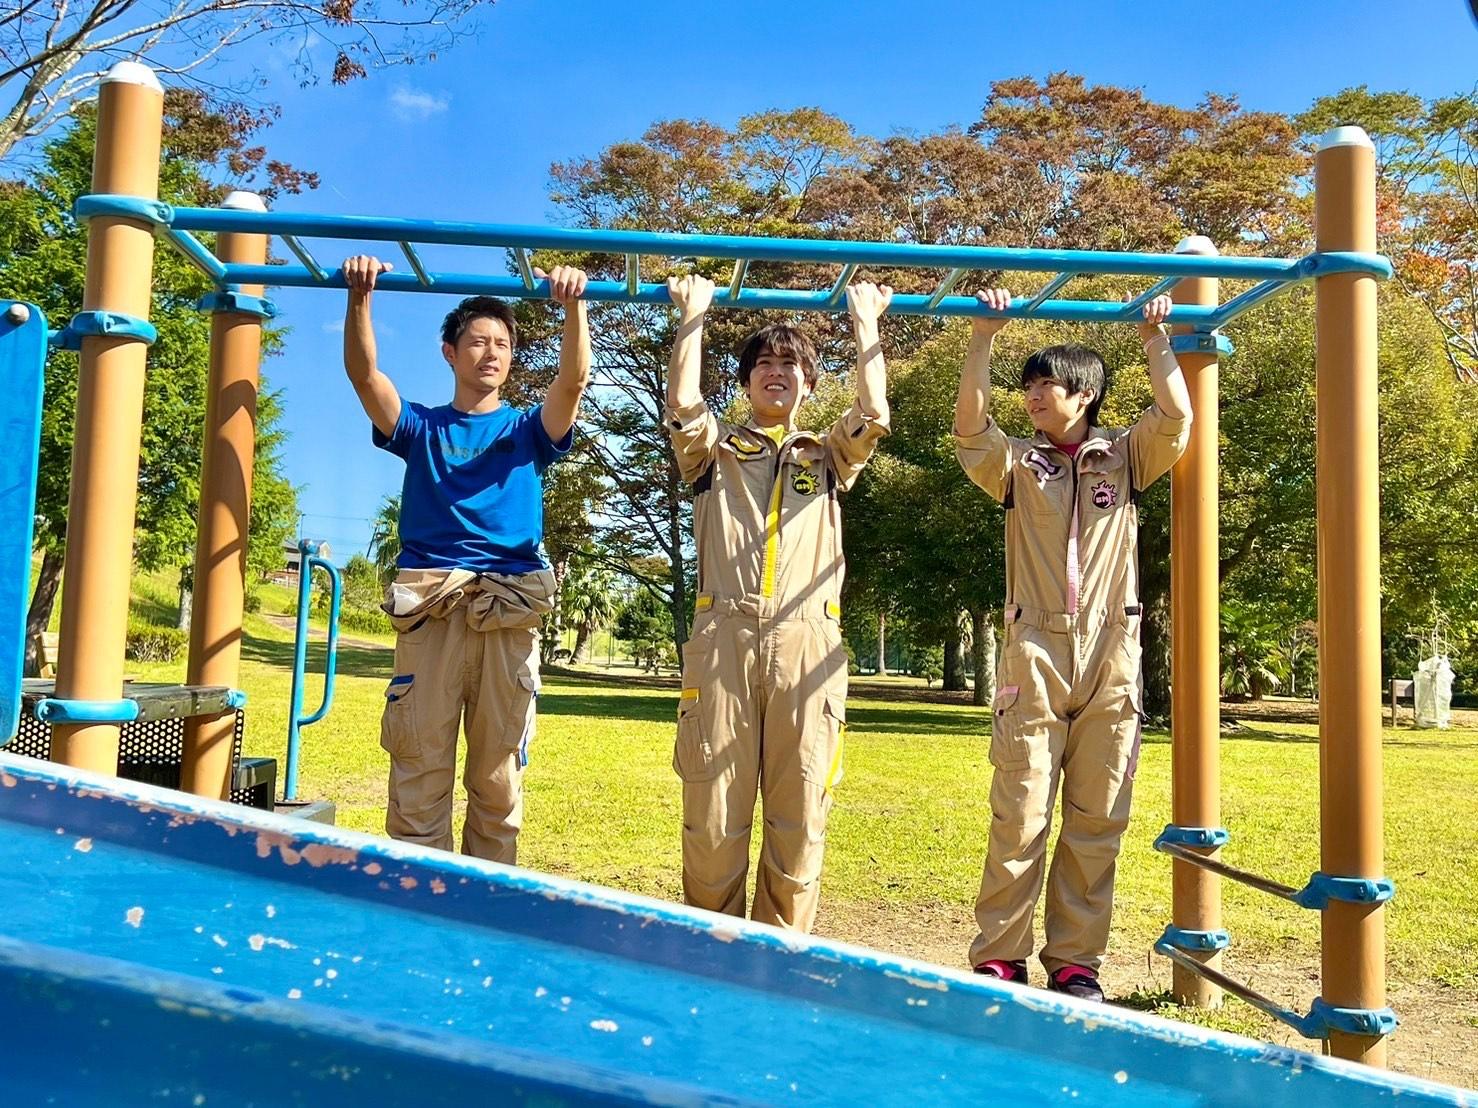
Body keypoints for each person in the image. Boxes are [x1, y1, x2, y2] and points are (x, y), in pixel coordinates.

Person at [953, 287, 1191, 1000]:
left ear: (1083, 393)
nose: (1031, 395)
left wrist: (1157, 342)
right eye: (1025, 385)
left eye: (1044, 383)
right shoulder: (1021, 465)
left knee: (1098, 814)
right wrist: (983, 338)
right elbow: (971, 429)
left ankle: (1076, 961)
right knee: (1021, 808)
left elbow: (1175, 415)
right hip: (1036, 647)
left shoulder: (1122, 459)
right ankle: (1000, 953)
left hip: (1113, 649)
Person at [341, 255, 589, 864]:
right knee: (419, 775)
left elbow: (573, 383)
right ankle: (418, 909)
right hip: (431, 613)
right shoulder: (421, 427)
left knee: (498, 780)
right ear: (449, 352)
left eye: (503, 344)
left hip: (508, 611)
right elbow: (365, 374)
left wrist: (574, 307)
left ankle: (487, 910)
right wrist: (360, 295)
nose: (492, 353)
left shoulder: (529, 430)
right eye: (477, 341)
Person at [663, 274, 892, 931]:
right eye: (763, 363)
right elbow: (682, 401)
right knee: (713, 816)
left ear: (811, 386)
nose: (776, 373)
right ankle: (712, 951)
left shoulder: (826, 457)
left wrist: (866, 324)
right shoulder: (715, 451)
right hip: (723, 643)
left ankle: (781, 954)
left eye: (791, 365)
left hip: (807, 646)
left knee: (800, 816)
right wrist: (693, 318)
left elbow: (874, 414)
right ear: (744, 383)